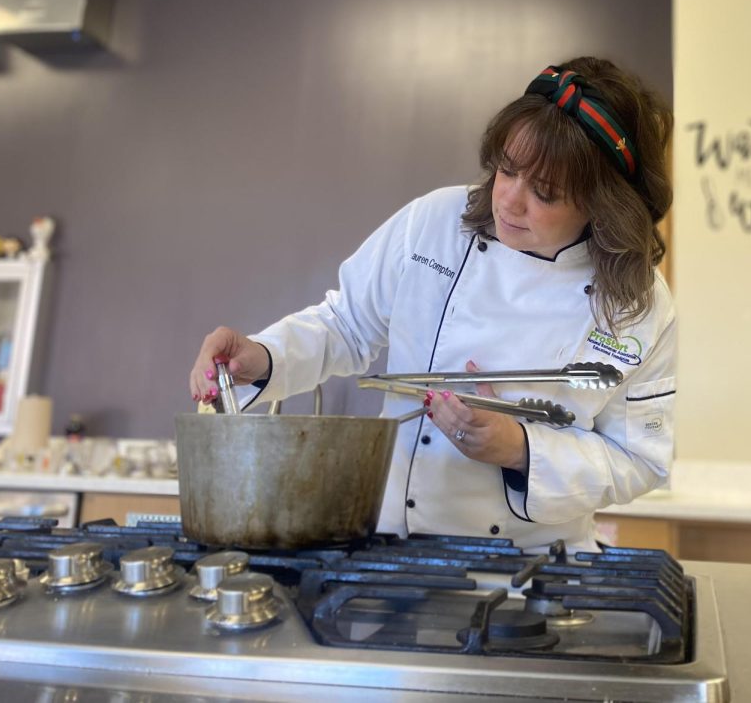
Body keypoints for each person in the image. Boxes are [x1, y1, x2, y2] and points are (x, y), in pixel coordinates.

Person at [188, 56, 676, 552]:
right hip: (394, 546)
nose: (508, 200)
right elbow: (345, 324)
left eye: (545, 193)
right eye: (506, 170)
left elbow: (640, 459)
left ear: (601, 203)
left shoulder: (638, 303)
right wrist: (264, 357)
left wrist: (520, 449)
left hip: (533, 568)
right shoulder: (437, 221)